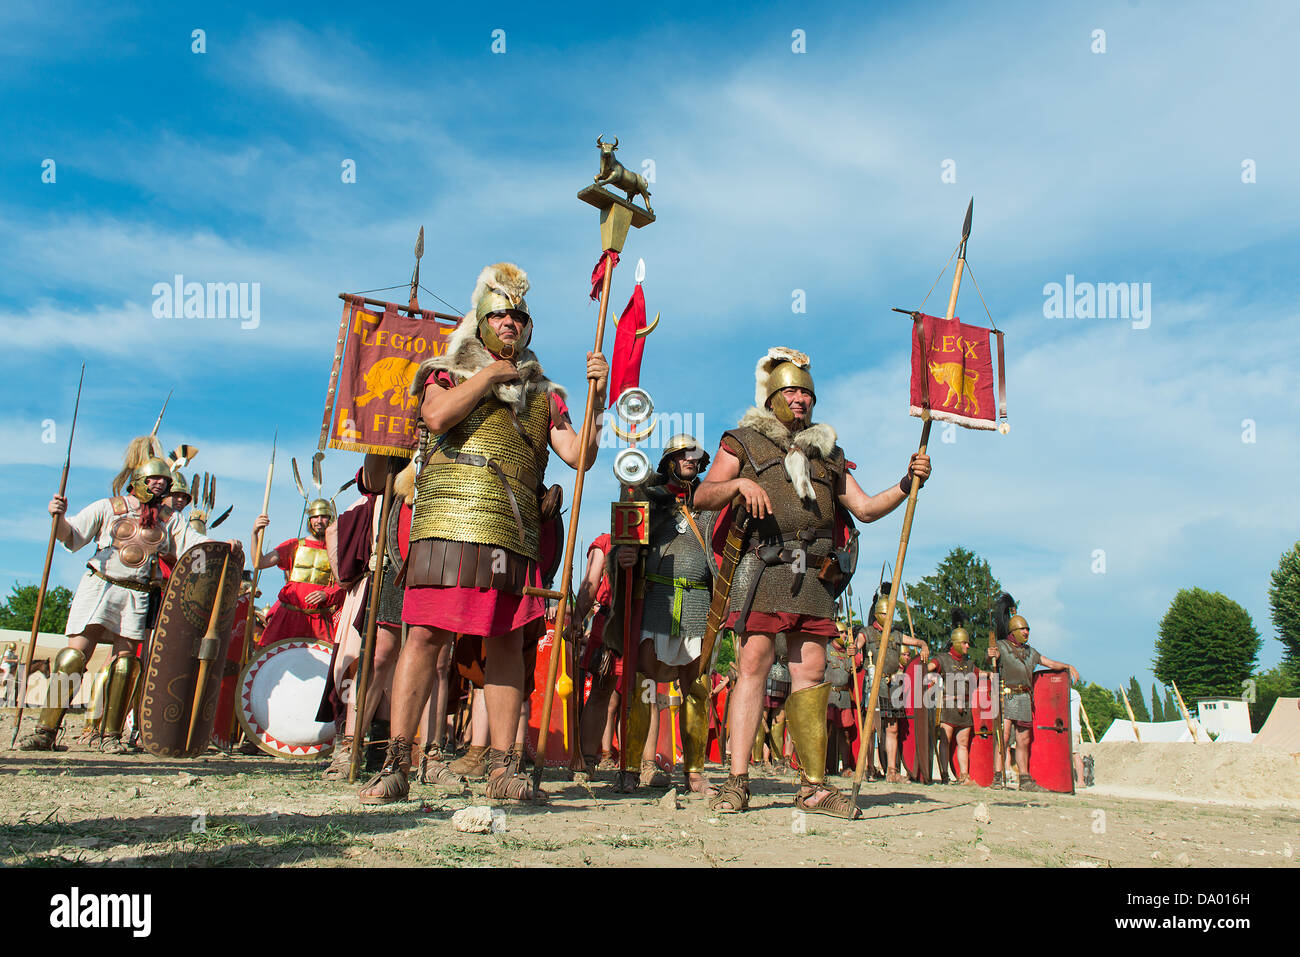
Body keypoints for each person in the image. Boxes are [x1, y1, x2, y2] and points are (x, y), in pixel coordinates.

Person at [357, 261, 608, 805]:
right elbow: (438, 417)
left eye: (519, 316)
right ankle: (397, 763)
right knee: (424, 635)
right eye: (501, 316)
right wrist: (489, 376)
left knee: (505, 643)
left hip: (511, 531)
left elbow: (580, 456)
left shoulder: (545, 393)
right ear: (481, 321)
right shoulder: (444, 371)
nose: (512, 324)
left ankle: (503, 768)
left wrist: (597, 396)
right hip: (446, 521)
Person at [693, 347, 931, 817]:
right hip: (764, 566)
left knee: (812, 671)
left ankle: (814, 787)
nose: (799, 399)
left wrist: (907, 483)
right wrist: (739, 485)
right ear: (772, 398)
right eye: (790, 391)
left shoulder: (829, 455)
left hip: (815, 574)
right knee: (754, 664)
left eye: (806, 392)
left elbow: (863, 509)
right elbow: (702, 495)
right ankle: (737, 782)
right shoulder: (742, 442)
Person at [19, 457, 239, 752]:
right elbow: (72, 535)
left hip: (137, 593)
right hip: (99, 584)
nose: (159, 483)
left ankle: (111, 736)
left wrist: (224, 545)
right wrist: (57, 516)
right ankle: (45, 731)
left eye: (164, 480)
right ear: (138, 481)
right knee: (72, 658)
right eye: (153, 479)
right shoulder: (108, 507)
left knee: (126, 664)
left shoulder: (169, 518)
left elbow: (192, 542)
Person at [598, 434, 718, 795]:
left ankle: (694, 772)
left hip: (698, 604)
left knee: (696, 690)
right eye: (682, 456)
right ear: (669, 461)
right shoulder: (647, 499)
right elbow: (622, 547)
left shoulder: (709, 506)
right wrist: (623, 557)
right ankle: (632, 769)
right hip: (657, 601)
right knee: (644, 687)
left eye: (695, 457)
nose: (690, 461)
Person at [988, 612, 1080, 791]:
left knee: (1024, 740)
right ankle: (997, 777)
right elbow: (991, 656)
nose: (1026, 632)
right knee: (1003, 737)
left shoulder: (1031, 652)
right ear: (1013, 631)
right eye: (1022, 629)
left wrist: (1068, 666)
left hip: (1024, 698)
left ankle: (1025, 779)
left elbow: (1050, 664)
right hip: (1005, 695)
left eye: (1028, 629)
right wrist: (990, 654)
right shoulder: (1001, 646)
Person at [250, 496, 344, 647]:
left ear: (331, 519)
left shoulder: (337, 551)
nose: (319, 520)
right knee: (272, 661)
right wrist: (255, 533)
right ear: (309, 520)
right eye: (315, 516)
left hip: (319, 619)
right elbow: (259, 562)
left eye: (323, 516)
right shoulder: (293, 545)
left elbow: (345, 583)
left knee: (321, 666)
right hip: (288, 617)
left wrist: (327, 593)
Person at [859, 584, 929, 783]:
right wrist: (853, 649)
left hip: (892, 686)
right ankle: (868, 767)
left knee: (892, 729)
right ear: (880, 614)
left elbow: (916, 642)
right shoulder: (867, 633)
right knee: (870, 728)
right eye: (887, 612)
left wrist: (923, 645)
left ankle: (891, 770)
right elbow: (857, 644)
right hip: (874, 683)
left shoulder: (896, 635)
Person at [572, 533, 620, 775]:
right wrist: (578, 616)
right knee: (602, 692)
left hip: (646, 619)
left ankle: (643, 765)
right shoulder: (606, 542)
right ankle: (587, 760)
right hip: (611, 623)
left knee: (646, 694)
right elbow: (590, 583)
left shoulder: (657, 539)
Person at [927, 608, 976, 784]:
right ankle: (944, 774)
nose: (968, 646)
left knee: (963, 742)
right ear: (956, 643)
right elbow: (927, 668)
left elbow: (981, 674)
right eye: (965, 643)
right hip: (947, 706)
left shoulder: (969, 664)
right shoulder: (942, 659)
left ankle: (964, 775)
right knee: (945, 741)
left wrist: (993, 672)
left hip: (965, 709)